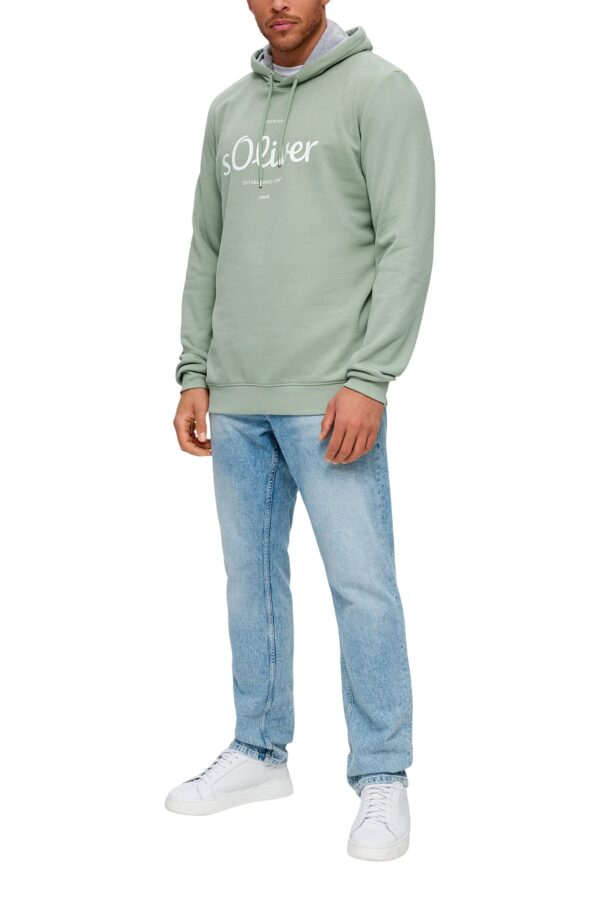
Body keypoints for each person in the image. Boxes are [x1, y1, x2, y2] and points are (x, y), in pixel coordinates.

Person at [166, 0, 435, 863]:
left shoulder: (379, 91)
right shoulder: (227, 109)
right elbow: (207, 247)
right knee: (250, 582)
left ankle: (383, 774)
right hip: (236, 391)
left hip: (330, 396)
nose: (278, 4)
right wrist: (194, 370)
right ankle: (259, 749)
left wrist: (369, 377)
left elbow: (406, 243)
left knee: (362, 586)